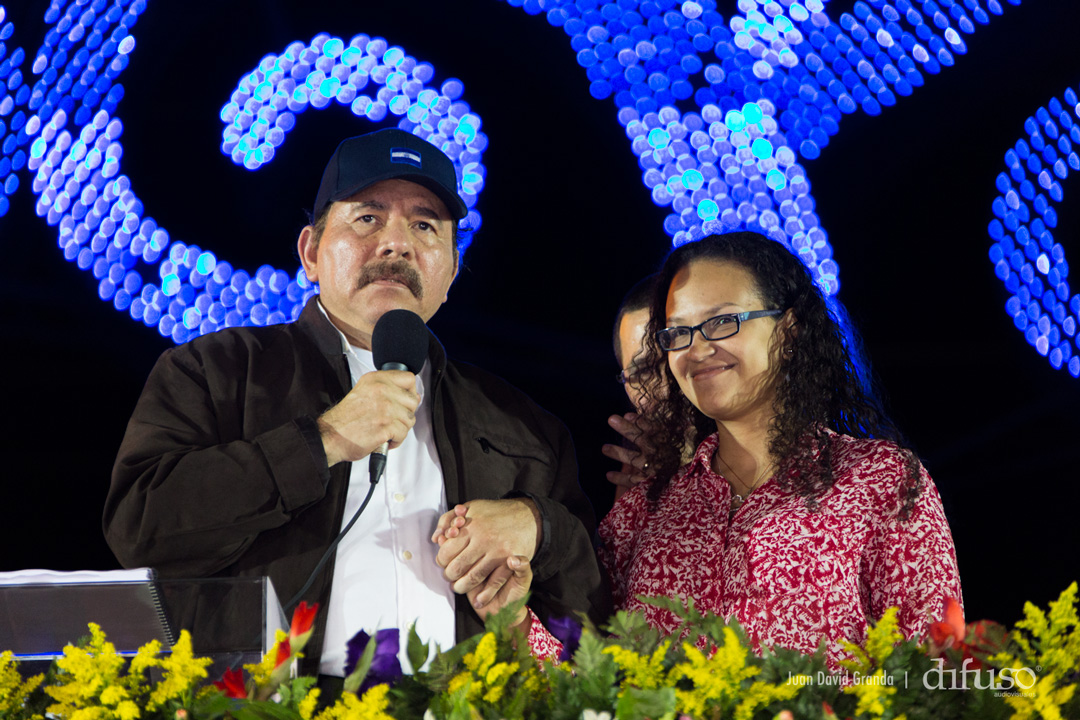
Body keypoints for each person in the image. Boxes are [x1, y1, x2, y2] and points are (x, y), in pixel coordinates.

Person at [103, 128, 608, 676]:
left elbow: (592, 623)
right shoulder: (216, 371)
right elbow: (140, 529)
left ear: (451, 273)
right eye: (368, 218)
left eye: (424, 226)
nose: (397, 244)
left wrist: (539, 526)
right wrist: (322, 440)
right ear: (311, 253)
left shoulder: (523, 424)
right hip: (271, 705)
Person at [448, 231, 962, 669]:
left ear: (790, 330)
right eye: (678, 333)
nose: (696, 349)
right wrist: (512, 618)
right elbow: (596, 687)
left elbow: (939, 677)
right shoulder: (647, 506)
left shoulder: (879, 480)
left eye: (722, 322)